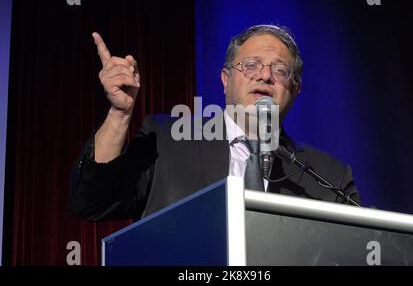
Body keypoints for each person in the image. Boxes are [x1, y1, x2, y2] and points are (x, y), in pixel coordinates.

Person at [69, 25, 361, 221]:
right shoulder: (167, 141)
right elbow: (92, 202)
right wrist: (119, 115)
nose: (264, 76)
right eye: (250, 65)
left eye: (280, 70)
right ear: (225, 80)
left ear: (295, 89)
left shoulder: (329, 178)